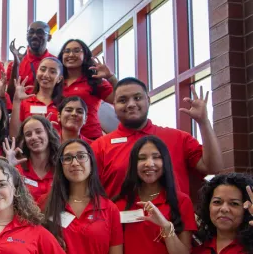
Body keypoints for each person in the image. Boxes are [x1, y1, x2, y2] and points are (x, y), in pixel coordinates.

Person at [91, 78, 223, 199]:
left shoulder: (178, 138)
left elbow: (212, 167)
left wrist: (203, 122)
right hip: (120, 223)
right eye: (123, 100)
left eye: (137, 98)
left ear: (148, 100)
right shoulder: (99, 147)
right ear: (114, 104)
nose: (131, 104)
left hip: (173, 222)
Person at [58, 39, 116, 140]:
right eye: (67, 51)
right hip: (61, 140)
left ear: (85, 55)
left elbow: (118, 98)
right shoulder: (57, 82)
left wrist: (110, 77)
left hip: (91, 138)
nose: (71, 54)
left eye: (76, 51)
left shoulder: (94, 80)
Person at [5, 115, 59, 203]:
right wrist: (8, 169)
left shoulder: (62, 167)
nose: (33, 137)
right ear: (24, 140)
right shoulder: (16, 168)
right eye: (28, 134)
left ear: (49, 133)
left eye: (39, 132)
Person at [9, 57, 64, 137]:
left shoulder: (64, 104)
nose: (46, 75)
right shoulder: (25, 102)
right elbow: (14, 135)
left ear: (59, 78)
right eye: (42, 69)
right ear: (37, 72)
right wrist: (16, 101)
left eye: (52, 72)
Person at [6, 21, 55, 96]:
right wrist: (16, 66)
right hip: (22, 106)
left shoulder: (57, 63)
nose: (34, 36)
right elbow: (10, 95)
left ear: (49, 37)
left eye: (39, 32)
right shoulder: (14, 65)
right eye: (31, 32)